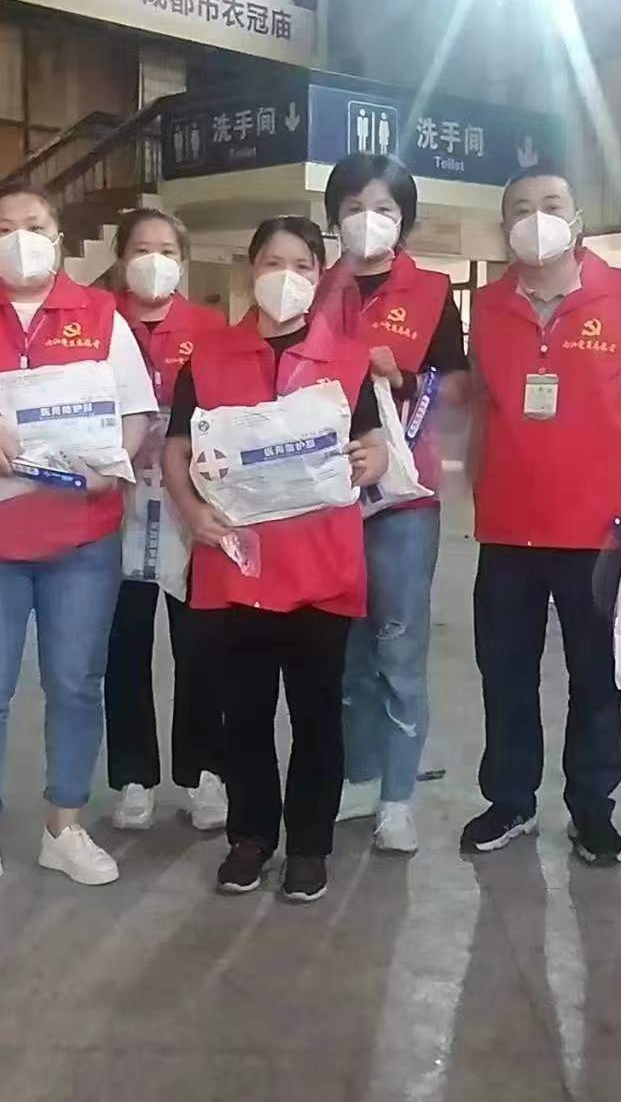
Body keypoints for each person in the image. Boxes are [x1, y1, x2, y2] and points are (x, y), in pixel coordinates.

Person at [0, 185, 160, 909]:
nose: (21, 238)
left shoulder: (100, 315)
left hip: (81, 539)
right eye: (5, 227)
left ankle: (64, 827)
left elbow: (137, 410)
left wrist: (113, 464)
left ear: (59, 237)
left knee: (76, 684)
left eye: (35, 225)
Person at [164, 217, 389, 903]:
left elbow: (375, 444)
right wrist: (192, 512)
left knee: (318, 714)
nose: (285, 276)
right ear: (250, 270)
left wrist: (373, 458)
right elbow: (176, 450)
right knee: (245, 713)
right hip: (238, 565)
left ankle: (311, 845)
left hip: (321, 567)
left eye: (300, 264)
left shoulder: (348, 362)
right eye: (271, 262)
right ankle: (251, 836)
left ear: (319, 276)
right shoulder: (207, 359)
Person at [461, 164, 621, 868]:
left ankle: (592, 808)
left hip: (597, 527)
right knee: (505, 673)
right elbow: (482, 405)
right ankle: (510, 801)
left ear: (577, 218)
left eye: (551, 204)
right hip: (508, 527)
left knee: (596, 677)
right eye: (520, 208)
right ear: (504, 227)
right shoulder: (488, 307)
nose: (536, 218)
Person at [321, 153, 467, 854]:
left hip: (405, 498)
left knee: (398, 647)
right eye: (352, 207)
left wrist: (403, 380)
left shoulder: (433, 293)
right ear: (334, 217)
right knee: (345, 650)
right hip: (327, 494)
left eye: (382, 208)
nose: (367, 219)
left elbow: (458, 388)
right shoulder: (316, 290)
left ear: (404, 218)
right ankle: (360, 778)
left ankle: (399, 797)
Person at [99, 208, 230, 833]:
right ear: (121, 258)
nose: (154, 261)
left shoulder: (210, 329)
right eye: (141, 249)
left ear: (183, 260)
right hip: (113, 506)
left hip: (187, 508)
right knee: (123, 646)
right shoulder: (95, 325)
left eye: (167, 250)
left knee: (200, 647)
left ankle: (204, 773)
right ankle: (133, 777)